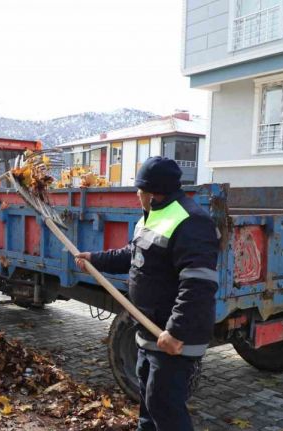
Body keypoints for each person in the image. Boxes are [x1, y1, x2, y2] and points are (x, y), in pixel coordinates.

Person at [75, 156, 219, 431]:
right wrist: (94, 258)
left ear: (152, 194)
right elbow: (132, 254)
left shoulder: (191, 222)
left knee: (164, 405)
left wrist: (175, 332)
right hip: (147, 331)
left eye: (139, 192)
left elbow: (198, 285)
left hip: (171, 339)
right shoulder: (152, 216)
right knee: (148, 404)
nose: (136, 197)